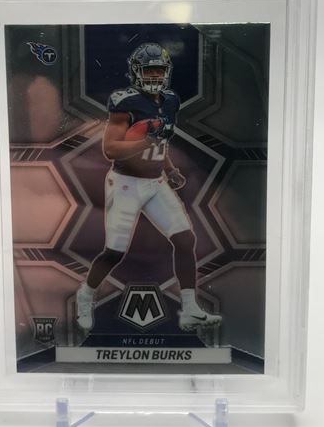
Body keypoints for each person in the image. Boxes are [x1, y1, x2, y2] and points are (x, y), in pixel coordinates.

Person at [75, 42, 222, 331]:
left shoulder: (170, 100)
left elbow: (160, 142)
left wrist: (170, 169)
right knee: (114, 253)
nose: (155, 75)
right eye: (149, 70)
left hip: (156, 182)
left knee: (185, 239)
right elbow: (110, 149)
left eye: (159, 70)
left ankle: (190, 309)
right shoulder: (125, 102)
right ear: (136, 72)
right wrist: (145, 142)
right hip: (126, 184)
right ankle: (85, 295)